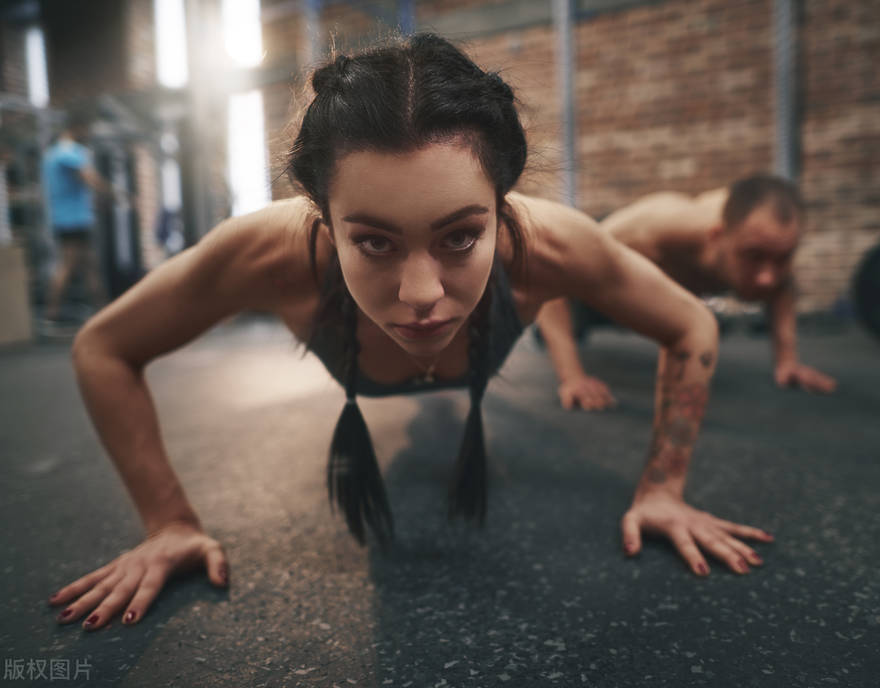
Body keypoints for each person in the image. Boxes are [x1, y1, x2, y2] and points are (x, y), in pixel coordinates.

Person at [46, 34, 773, 632]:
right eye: (374, 243)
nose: (421, 296)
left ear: (502, 202)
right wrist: (167, 521)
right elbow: (104, 347)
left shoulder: (553, 246)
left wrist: (664, 488)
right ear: (324, 219)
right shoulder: (268, 252)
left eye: (461, 236)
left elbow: (691, 324)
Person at [536, 175, 838, 411]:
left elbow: (782, 283)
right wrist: (572, 377)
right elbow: (555, 278)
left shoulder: (762, 238)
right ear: (717, 236)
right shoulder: (652, 232)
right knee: (557, 318)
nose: (767, 278)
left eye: (783, 258)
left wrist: (787, 360)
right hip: (594, 282)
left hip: (653, 289)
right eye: (753, 256)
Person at [41, 111, 112, 328]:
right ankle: (51, 315)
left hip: (67, 218)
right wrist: (115, 194)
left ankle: (105, 313)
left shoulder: (52, 154)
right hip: (73, 220)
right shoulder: (68, 152)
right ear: (78, 128)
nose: (88, 134)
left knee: (89, 265)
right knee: (69, 265)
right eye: (87, 130)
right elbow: (89, 177)